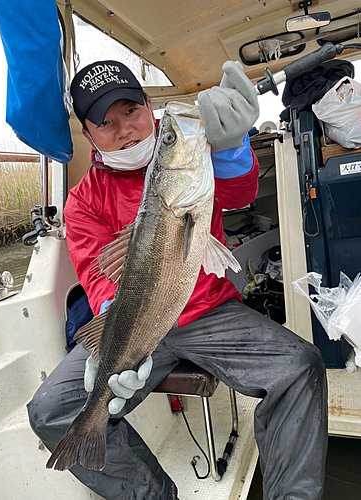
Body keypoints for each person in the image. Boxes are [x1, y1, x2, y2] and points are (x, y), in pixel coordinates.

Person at [28, 60, 328, 500]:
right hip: (135, 322)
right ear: (89, 136)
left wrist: (228, 149)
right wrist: (115, 326)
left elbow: (239, 194)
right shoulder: (83, 200)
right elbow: (96, 273)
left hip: (208, 309)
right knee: (50, 409)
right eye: (106, 123)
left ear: (150, 108)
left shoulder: (190, 155)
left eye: (130, 111)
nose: (125, 129)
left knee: (300, 366)